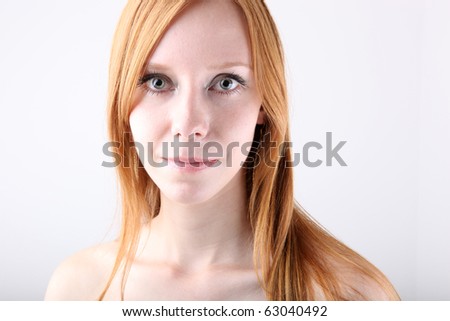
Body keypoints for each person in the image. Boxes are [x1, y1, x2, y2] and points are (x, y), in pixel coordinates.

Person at [45, 0, 400, 300]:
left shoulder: (352, 295)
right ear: (123, 101)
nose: (187, 124)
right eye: (158, 82)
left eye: (226, 83)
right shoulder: (79, 289)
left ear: (265, 103)